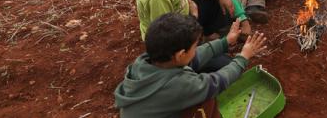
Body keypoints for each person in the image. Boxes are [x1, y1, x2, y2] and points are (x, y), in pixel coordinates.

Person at [114, 13, 268, 118]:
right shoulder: (178, 85)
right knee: (207, 100)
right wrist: (243, 57)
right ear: (180, 54)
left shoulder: (146, 62)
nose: (197, 48)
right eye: (195, 45)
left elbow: (196, 57)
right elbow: (215, 82)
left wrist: (225, 42)